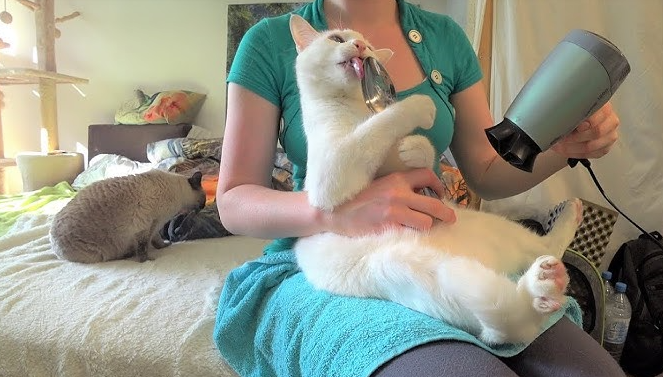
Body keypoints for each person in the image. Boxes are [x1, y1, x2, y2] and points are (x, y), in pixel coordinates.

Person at [213, 1, 625, 376]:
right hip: (327, 254)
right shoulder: (270, 41)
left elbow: (486, 171)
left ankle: (522, 284)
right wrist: (333, 214)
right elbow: (233, 200)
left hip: (431, 230)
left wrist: (564, 148)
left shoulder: (444, 38)